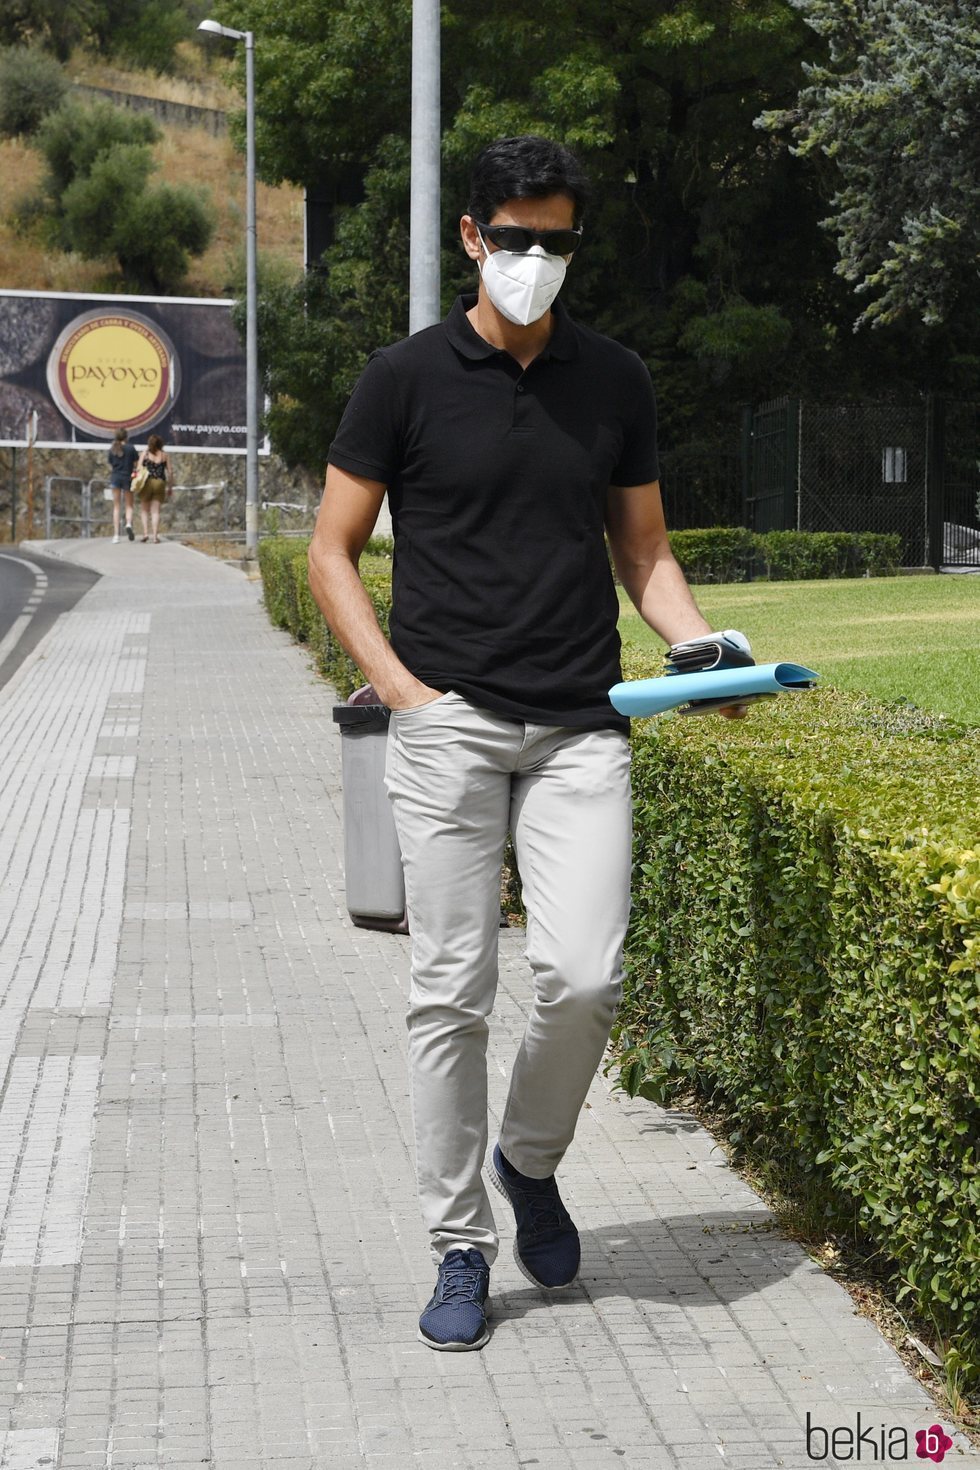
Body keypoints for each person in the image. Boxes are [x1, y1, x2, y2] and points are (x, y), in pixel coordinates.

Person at [307, 134, 748, 1352]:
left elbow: (644, 554)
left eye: (556, 241)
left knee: (584, 977)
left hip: (579, 729)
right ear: (470, 238)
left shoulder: (612, 379)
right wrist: (401, 691)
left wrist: (702, 650)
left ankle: (527, 1158)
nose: (535, 261)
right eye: (514, 239)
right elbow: (330, 551)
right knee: (449, 994)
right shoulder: (402, 378)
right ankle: (458, 1246)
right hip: (445, 725)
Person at [135, 435, 173, 542]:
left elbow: (138, 469)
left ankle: (146, 533)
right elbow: (170, 472)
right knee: (155, 512)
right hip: (160, 482)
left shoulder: (145, 454)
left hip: (146, 482)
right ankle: (155, 536)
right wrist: (170, 487)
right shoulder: (165, 455)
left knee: (144, 510)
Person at [107, 428, 138, 543]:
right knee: (129, 505)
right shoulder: (131, 448)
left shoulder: (113, 449)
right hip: (128, 478)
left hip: (115, 477)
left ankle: (116, 535)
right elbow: (136, 464)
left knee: (116, 506)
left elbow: (110, 463)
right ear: (126, 437)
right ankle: (128, 523)